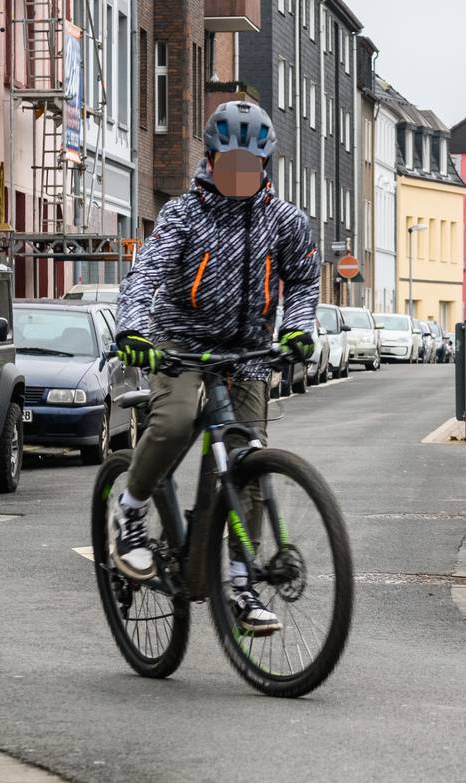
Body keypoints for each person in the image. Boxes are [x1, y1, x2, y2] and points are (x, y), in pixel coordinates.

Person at [106, 99, 321, 635]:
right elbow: (145, 274)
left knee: (247, 462)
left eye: (253, 168)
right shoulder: (183, 214)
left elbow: (303, 282)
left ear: (267, 166)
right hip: (179, 342)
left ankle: (242, 582)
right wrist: (133, 330)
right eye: (231, 167)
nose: (241, 177)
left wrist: (298, 328)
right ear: (211, 159)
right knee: (175, 422)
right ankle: (131, 511)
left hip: (246, 351)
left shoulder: (284, 220)